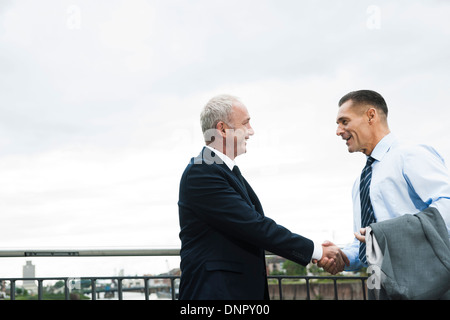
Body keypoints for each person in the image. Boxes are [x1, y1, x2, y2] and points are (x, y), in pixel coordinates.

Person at [178, 94, 348, 300]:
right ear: (222, 129)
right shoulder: (202, 172)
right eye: (245, 123)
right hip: (217, 293)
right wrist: (317, 252)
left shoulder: (222, 171)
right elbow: (254, 226)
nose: (251, 131)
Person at [326, 89, 450, 298]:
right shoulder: (360, 183)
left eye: (344, 121)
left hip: (426, 284)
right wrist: (342, 256)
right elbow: (365, 241)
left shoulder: (410, 154)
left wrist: (388, 234)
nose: (338, 131)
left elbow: (446, 204)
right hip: (381, 288)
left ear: (371, 116)